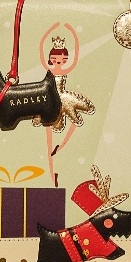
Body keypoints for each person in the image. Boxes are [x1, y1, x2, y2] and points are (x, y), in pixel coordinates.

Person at [34, 22, 94, 187]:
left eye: (62, 59)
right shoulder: (48, 69)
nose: (58, 62)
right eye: (55, 59)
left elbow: (75, 58)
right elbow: (41, 52)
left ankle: (59, 151)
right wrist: (50, 31)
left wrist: (73, 33)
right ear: (50, 59)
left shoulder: (65, 70)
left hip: (63, 98)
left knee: (73, 123)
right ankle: (51, 170)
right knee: (49, 131)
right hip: (49, 99)